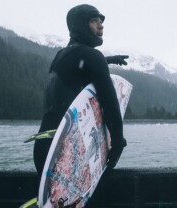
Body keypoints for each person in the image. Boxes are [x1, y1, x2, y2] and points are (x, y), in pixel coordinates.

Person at [34, 4, 128, 176]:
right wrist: (117, 142)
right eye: (94, 21)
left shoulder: (61, 55)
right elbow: (111, 106)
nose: (101, 26)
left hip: (44, 148)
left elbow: (77, 67)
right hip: (67, 151)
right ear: (80, 25)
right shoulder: (93, 57)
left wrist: (105, 61)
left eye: (101, 21)